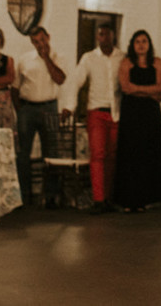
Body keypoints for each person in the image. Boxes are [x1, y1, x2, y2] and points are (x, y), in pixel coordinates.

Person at [60, 26, 121, 215]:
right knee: (98, 155)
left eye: (108, 34)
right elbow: (75, 81)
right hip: (96, 112)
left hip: (117, 113)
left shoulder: (122, 57)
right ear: (97, 37)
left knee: (112, 156)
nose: (105, 37)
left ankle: (109, 198)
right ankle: (98, 199)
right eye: (101, 34)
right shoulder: (89, 58)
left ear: (113, 36)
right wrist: (69, 106)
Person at [113, 29, 161, 212]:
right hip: (131, 113)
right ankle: (128, 200)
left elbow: (160, 87)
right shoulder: (126, 62)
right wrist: (150, 92)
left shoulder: (157, 62)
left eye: (144, 41)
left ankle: (146, 199)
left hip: (150, 114)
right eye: (137, 41)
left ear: (149, 44)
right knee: (130, 154)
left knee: (147, 153)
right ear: (132, 45)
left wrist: (139, 90)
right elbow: (125, 88)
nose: (141, 44)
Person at [14, 25, 67, 207]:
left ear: (48, 37)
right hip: (28, 108)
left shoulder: (59, 57)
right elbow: (15, 87)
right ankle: (24, 195)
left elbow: (60, 79)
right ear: (31, 42)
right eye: (36, 42)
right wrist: (20, 109)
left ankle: (51, 196)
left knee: (51, 153)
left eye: (42, 40)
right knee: (23, 154)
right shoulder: (24, 60)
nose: (40, 44)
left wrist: (47, 59)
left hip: (49, 107)